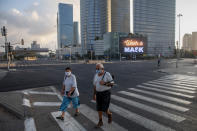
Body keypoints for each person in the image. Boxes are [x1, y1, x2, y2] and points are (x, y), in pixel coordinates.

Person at [93, 63, 114, 128]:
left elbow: (112, 84)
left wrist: (104, 83)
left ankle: (109, 114)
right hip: (98, 93)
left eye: (98, 68)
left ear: (102, 69)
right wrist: (94, 94)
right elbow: (94, 85)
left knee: (104, 108)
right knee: (99, 108)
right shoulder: (96, 75)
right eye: (96, 68)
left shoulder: (107, 74)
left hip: (106, 93)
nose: (97, 70)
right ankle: (100, 121)